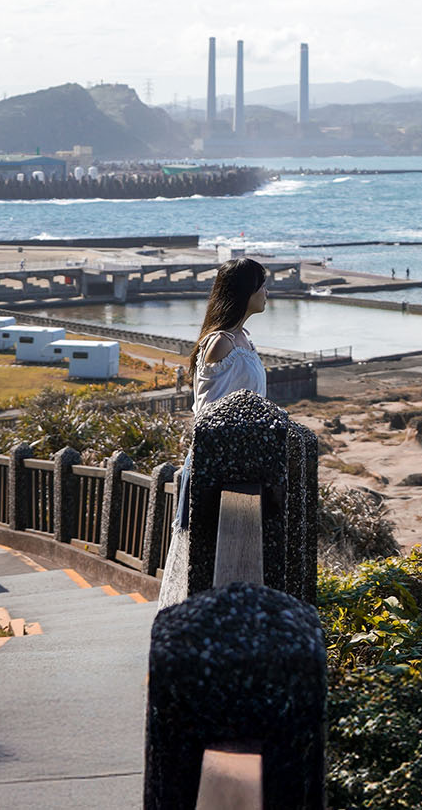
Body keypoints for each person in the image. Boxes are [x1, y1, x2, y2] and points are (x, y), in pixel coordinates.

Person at [157, 257, 268, 609]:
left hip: (241, 459)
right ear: (245, 291)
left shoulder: (243, 338)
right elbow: (209, 411)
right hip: (216, 460)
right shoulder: (220, 343)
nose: (267, 293)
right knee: (203, 550)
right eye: (261, 285)